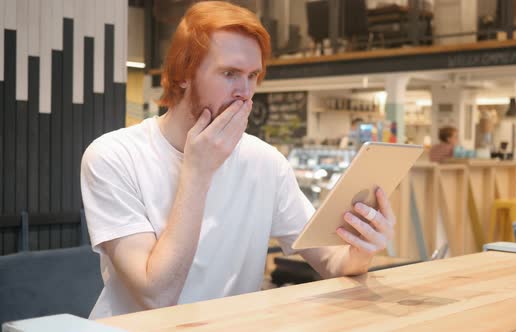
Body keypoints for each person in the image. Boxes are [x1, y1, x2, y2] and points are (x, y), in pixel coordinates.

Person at [80, 1, 395, 319]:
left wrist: (360, 250)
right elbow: (157, 297)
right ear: (184, 74)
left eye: (252, 76)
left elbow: (332, 263)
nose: (244, 92)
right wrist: (198, 170)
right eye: (229, 74)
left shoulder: (266, 162)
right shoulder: (113, 156)